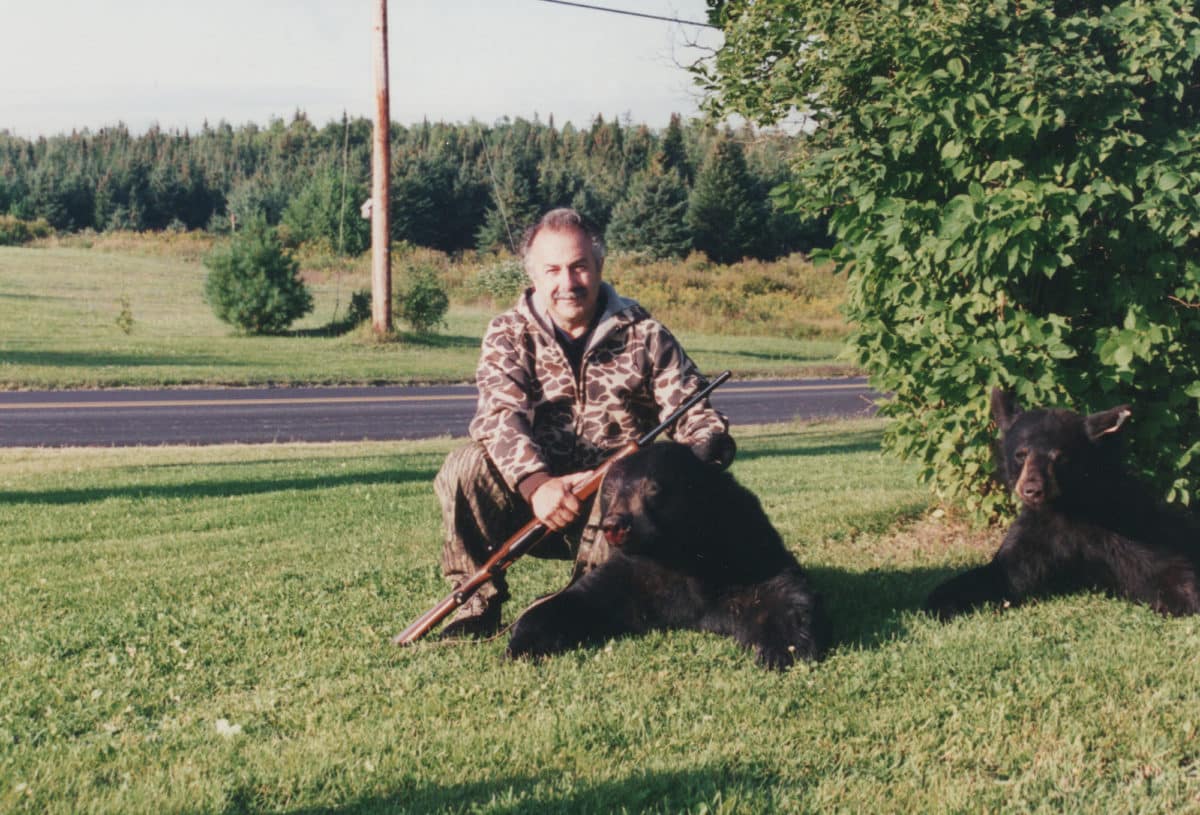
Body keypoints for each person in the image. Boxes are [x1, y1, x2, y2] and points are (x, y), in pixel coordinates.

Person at [434, 207, 735, 638]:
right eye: (553, 270)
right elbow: (499, 418)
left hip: (617, 507)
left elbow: (690, 409)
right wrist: (537, 486)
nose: (567, 283)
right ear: (534, 275)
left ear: (599, 267)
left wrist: (711, 443)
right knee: (464, 465)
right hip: (534, 505)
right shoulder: (507, 332)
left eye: (578, 267)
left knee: (636, 479)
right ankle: (475, 603)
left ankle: (590, 602)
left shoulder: (647, 335)